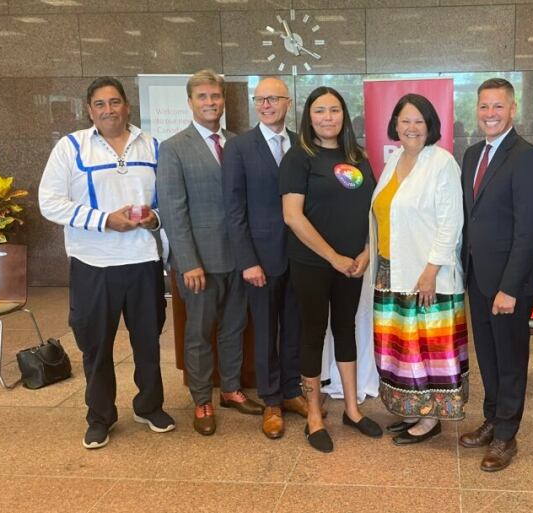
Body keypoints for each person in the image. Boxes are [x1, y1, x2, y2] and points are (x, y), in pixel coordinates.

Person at [39, 76, 174, 449]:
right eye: (100, 104)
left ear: (127, 106)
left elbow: (169, 197)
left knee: (147, 340)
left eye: (115, 102)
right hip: (93, 262)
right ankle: (100, 416)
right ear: (89, 110)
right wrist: (104, 220)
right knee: (96, 345)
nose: (109, 110)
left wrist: (155, 218)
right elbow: (49, 202)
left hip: (143, 260)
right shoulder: (70, 148)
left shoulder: (153, 145)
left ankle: (150, 406)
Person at [157, 69, 263, 436]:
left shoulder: (238, 142)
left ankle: (231, 389)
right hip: (199, 263)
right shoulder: (173, 148)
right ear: (190, 103)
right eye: (202, 97)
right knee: (199, 333)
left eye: (215, 97)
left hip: (240, 259)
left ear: (223, 101)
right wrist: (188, 262)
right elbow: (173, 209)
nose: (210, 103)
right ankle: (202, 398)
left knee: (235, 327)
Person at [280, 86, 383, 453]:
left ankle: (352, 410)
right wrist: (333, 257)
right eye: (320, 110)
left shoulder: (357, 156)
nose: (328, 117)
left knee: (345, 329)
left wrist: (367, 252)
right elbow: (292, 217)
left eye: (335, 110)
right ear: (309, 116)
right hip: (311, 263)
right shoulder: (299, 158)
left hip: (353, 265)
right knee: (313, 333)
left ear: (344, 115)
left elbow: (373, 210)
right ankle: (313, 416)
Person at [459, 79, 533, 470]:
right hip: (478, 276)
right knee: (490, 357)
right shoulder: (471, 154)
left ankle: (506, 436)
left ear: (512, 110)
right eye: (484, 107)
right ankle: (492, 419)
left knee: (510, 359)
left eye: (498, 107)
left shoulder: (527, 157)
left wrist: (510, 288)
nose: (490, 114)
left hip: (509, 283)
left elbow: (530, 230)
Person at [370, 94, 468, 446]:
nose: (411, 128)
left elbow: (451, 222)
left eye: (418, 121)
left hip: (426, 275)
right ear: (395, 124)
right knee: (401, 350)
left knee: (427, 350)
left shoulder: (441, 162)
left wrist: (430, 271)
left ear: (430, 126)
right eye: (404, 120)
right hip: (389, 272)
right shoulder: (393, 160)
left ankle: (431, 419)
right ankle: (411, 410)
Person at [222, 77, 315, 440]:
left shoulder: (302, 145)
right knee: (265, 331)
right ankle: (272, 400)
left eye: (273, 99)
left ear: (288, 102)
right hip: (260, 259)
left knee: (295, 327)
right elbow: (234, 209)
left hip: (301, 257)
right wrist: (247, 260)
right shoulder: (239, 147)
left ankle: (292, 391)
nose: (266, 105)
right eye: (260, 100)